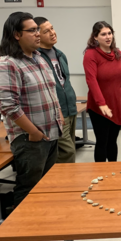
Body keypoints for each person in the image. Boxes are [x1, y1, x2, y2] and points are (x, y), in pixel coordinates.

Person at [0, 12, 63, 241]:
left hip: (51, 134)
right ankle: (24, 236)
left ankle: (37, 226)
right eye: (32, 30)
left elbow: (50, 92)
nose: (37, 33)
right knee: (28, 186)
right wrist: (33, 132)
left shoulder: (39, 58)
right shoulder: (7, 64)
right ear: (16, 34)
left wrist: (59, 116)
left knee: (43, 186)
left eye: (37, 29)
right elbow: (9, 105)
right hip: (32, 139)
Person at [35, 17, 78, 163]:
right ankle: (63, 182)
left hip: (70, 109)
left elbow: (64, 81)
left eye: (52, 28)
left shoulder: (60, 54)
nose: (53, 33)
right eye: (46, 31)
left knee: (69, 148)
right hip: (56, 111)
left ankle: (68, 180)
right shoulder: (37, 57)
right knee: (67, 151)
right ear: (37, 35)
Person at [83, 21, 121, 162]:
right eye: (103, 34)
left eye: (110, 33)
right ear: (95, 37)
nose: (108, 37)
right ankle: (101, 175)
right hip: (100, 107)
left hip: (116, 103)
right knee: (102, 141)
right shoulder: (91, 55)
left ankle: (113, 173)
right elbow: (91, 81)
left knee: (113, 141)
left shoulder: (117, 53)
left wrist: (116, 88)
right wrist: (102, 103)